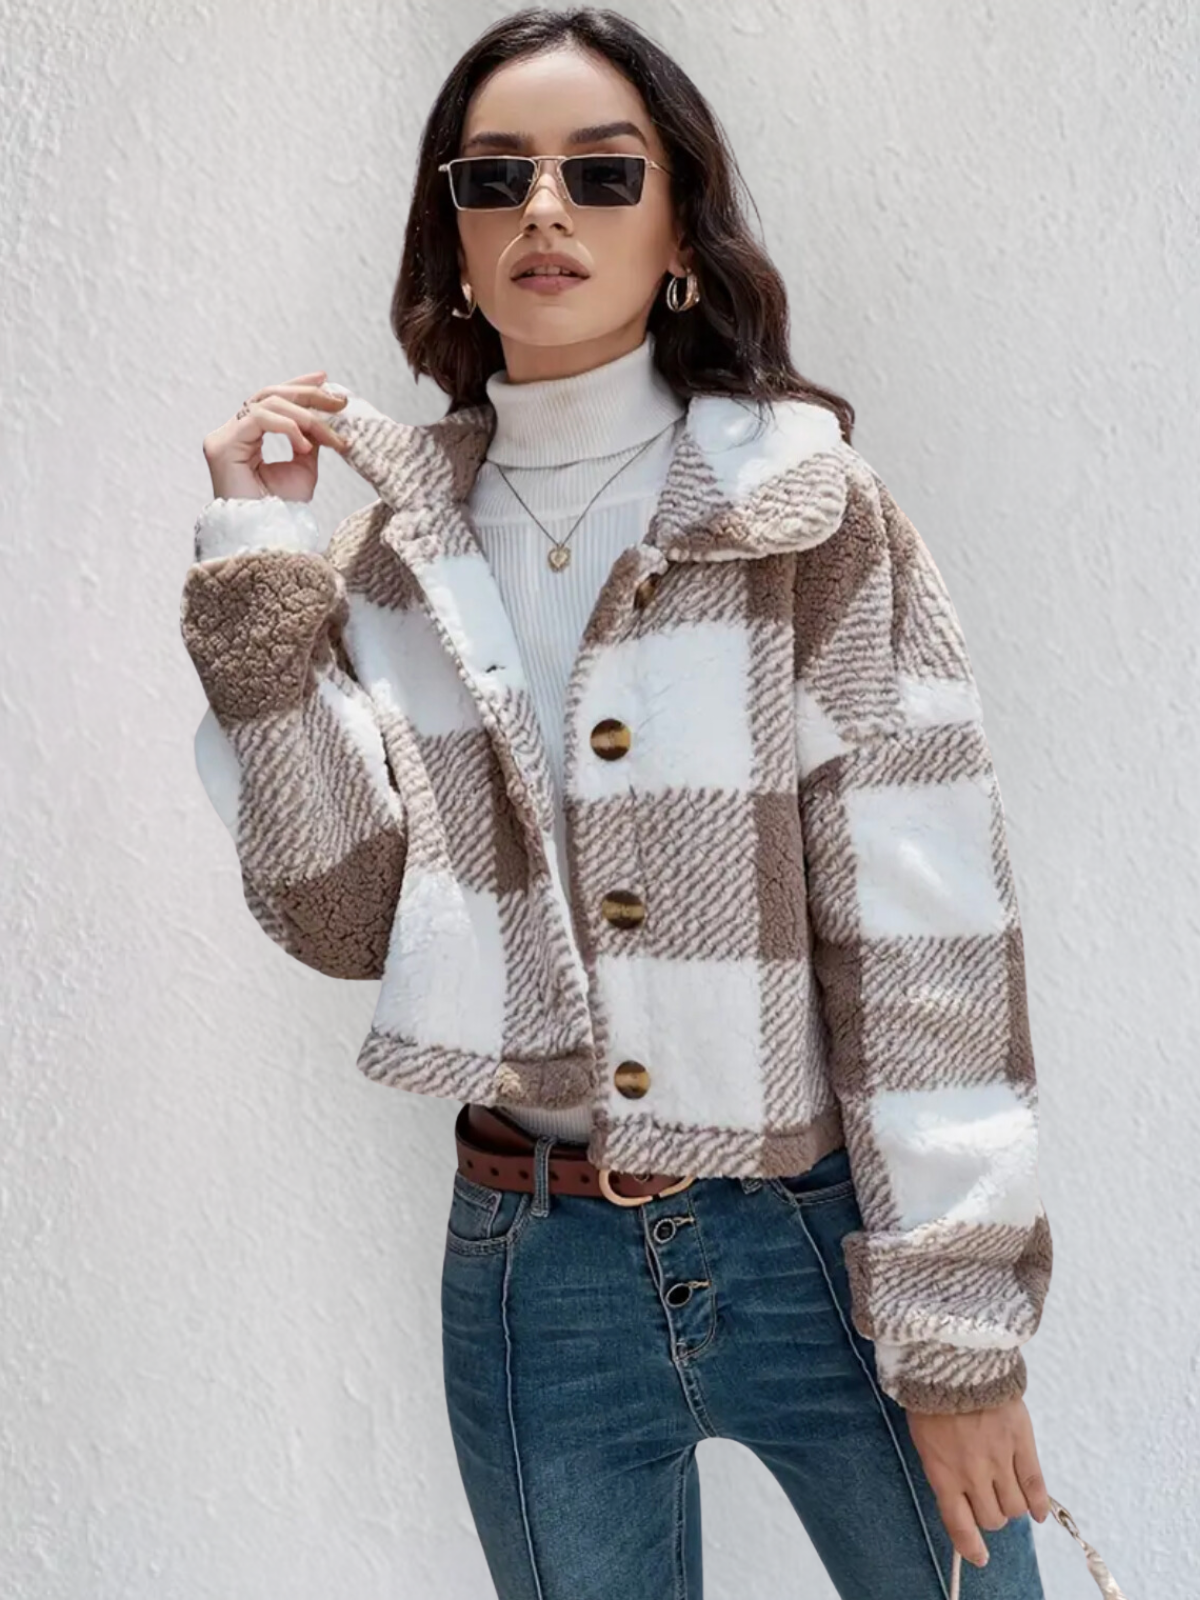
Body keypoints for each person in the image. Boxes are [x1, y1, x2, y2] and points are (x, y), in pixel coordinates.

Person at [180, 8, 1054, 1597]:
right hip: (535, 1267)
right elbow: (340, 916)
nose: (544, 209)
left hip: (819, 1244)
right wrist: (256, 571)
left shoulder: (802, 517)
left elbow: (928, 946)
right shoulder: (394, 561)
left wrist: (958, 1327)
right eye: (494, 176)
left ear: (681, 236)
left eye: (600, 172)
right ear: (451, 239)